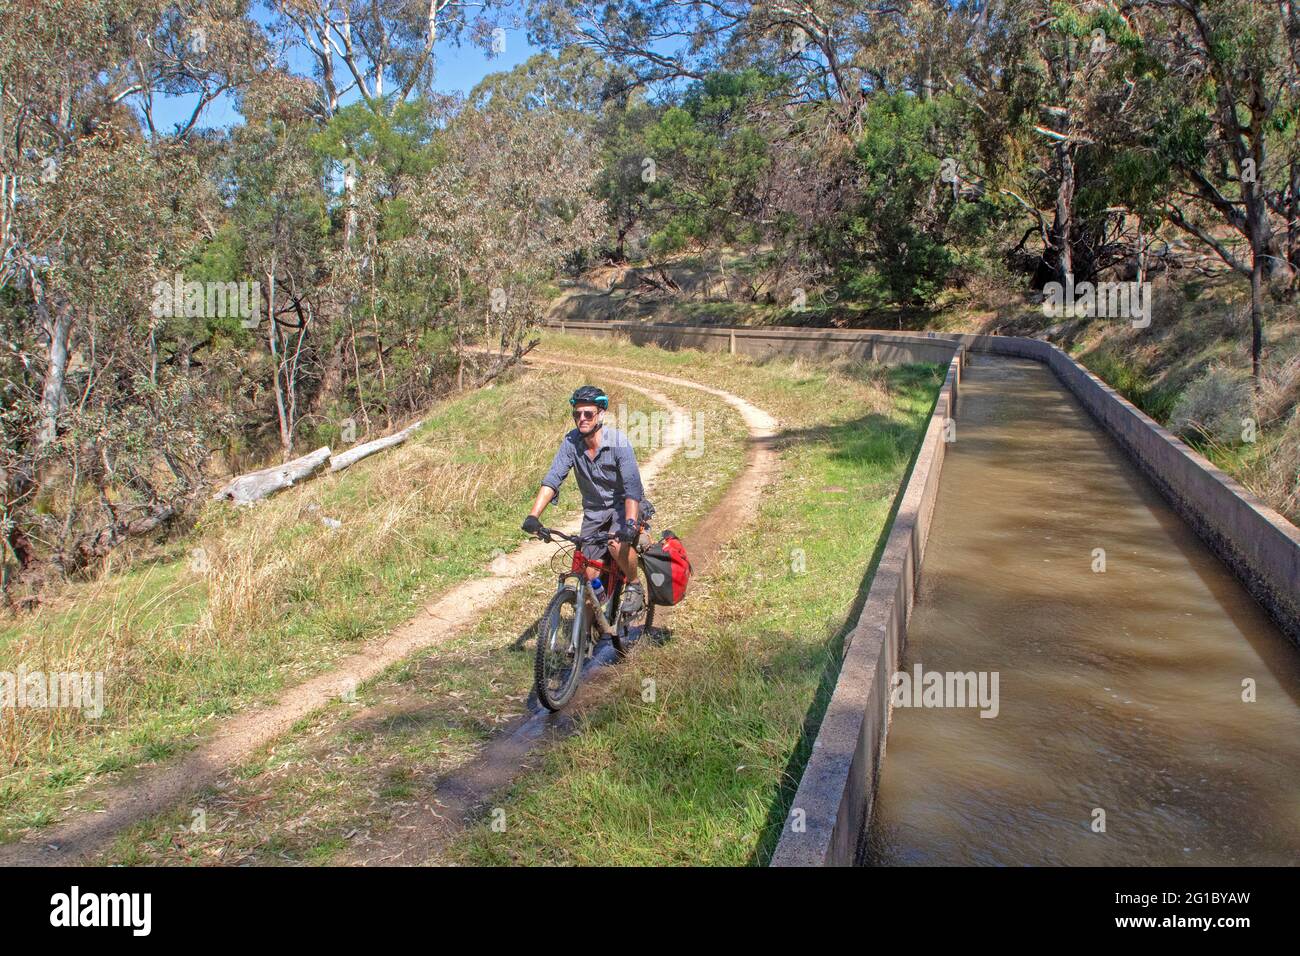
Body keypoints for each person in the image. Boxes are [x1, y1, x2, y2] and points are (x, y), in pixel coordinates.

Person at [522, 384, 646, 617]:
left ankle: (634, 585)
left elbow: (632, 490)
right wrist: (533, 515)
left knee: (616, 544)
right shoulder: (571, 443)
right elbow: (552, 480)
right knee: (588, 577)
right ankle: (587, 638)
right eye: (577, 414)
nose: (582, 418)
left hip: (624, 507)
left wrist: (629, 524)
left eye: (588, 413)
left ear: (601, 414)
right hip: (594, 512)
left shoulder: (619, 442)